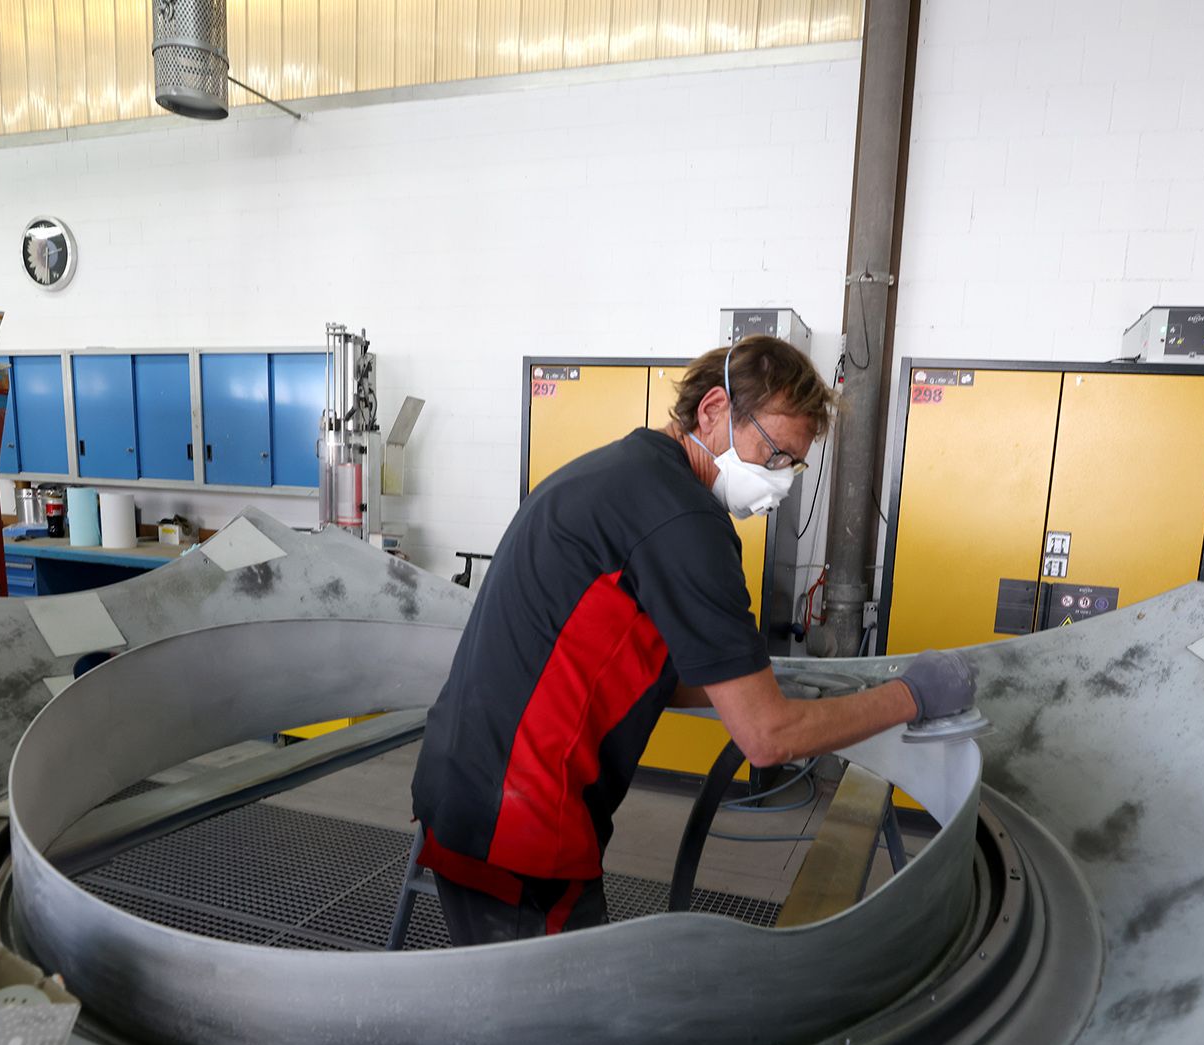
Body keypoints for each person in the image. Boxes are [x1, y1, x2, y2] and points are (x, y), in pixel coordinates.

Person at [409, 336, 976, 945]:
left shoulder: (616, 471)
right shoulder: (686, 521)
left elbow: (634, 673)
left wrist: (760, 684)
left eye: (794, 464)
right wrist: (910, 696)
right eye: (774, 453)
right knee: (556, 1027)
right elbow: (766, 739)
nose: (780, 481)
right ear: (712, 410)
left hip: (461, 784)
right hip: (519, 821)